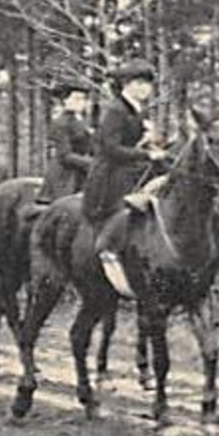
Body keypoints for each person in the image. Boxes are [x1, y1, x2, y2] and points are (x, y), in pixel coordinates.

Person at [85, 59, 170, 287]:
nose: (145, 89)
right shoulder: (115, 110)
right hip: (111, 173)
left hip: (132, 167)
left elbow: (135, 143)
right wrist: (146, 155)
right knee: (127, 210)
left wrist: (153, 145)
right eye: (140, 83)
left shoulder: (137, 109)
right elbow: (111, 148)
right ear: (126, 84)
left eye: (148, 84)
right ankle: (108, 247)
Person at [40, 80, 95, 203]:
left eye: (83, 99)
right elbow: (65, 155)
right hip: (66, 175)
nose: (81, 102)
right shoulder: (60, 123)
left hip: (83, 171)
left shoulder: (83, 122)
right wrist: (91, 163)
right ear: (65, 100)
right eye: (76, 98)